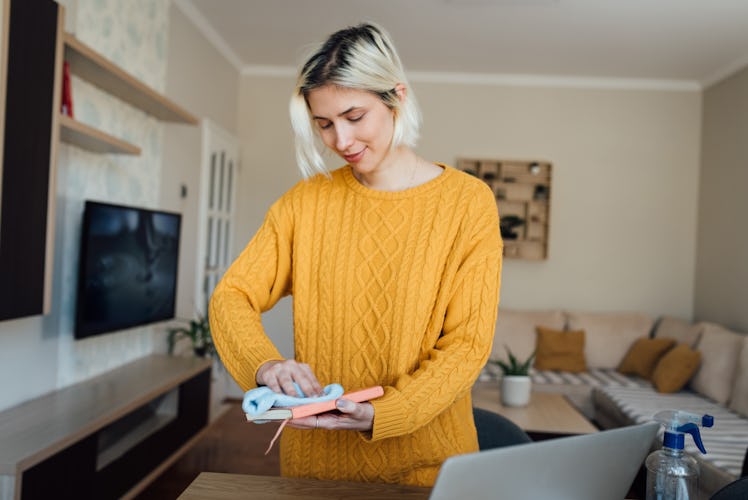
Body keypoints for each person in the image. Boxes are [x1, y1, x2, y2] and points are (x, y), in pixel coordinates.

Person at [209, 22, 503, 487]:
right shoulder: (304, 203)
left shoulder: (468, 203)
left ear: (397, 97)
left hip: (427, 470)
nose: (340, 141)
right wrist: (264, 366)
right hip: (315, 471)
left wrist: (384, 414)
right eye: (323, 124)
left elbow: (467, 345)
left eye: (354, 116)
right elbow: (232, 296)